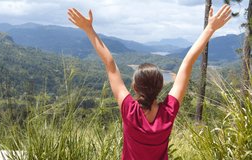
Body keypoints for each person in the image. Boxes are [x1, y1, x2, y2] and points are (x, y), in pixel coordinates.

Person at [68, 4, 231, 160]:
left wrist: (88, 29)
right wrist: (210, 28)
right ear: (161, 87)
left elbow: (110, 64)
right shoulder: (168, 111)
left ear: (134, 87)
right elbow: (187, 64)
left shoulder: (129, 111)